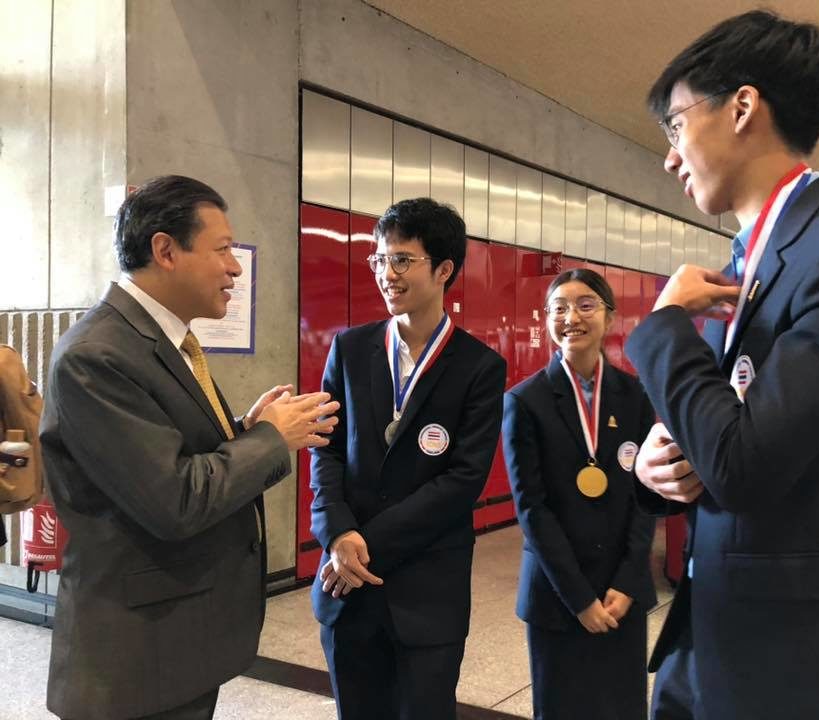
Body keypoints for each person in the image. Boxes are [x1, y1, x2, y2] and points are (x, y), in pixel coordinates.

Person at [623, 11, 819, 719]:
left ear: (742, 107)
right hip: (704, 637)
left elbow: (744, 465)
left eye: (675, 125)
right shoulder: (734, 271)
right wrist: (657, 472)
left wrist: (663, 326)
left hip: (796, 661)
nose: (670, 157)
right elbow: (712, 432)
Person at [39, 175, 339, 720]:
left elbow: (167, 455)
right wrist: (271, 439)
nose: (235, 268)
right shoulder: (97, 356)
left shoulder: (160, 341)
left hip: (175, 642)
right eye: (222, 249)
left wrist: (246, 429)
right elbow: (174, 500)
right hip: (136, 660)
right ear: (165, 250)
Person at [309, 197, 507, 720]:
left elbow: (463, 480)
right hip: (345, 587)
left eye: (402, 260)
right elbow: (325, 449)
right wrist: (336, 532)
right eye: (379, 259)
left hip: (426, 593)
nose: (386, 273)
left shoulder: (479, 367)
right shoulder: (350, 350)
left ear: (444, 270)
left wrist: (363, 546)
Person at [502, 269, 660, 720]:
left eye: (585, 305)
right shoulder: (525, 401)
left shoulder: (635, 395)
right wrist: (580, 599)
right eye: (559, 308)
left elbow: (645, 495)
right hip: (557, 596)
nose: (571, 317)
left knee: (622, 708)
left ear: (609, 317)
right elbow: (532, 508)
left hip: (622, 592)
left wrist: (626, 583)